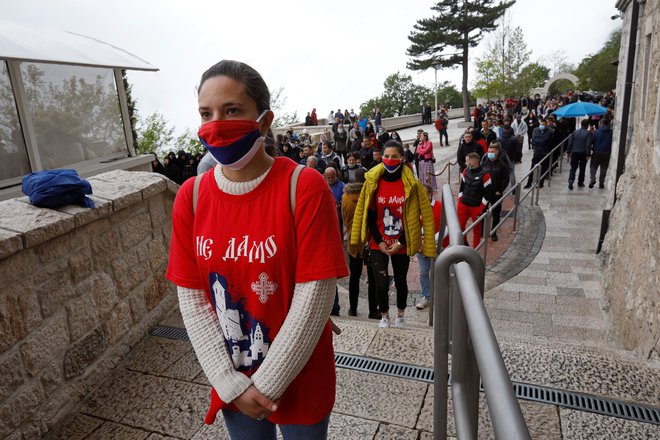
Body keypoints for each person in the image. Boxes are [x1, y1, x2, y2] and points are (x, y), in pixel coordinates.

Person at [167, 60, 348, 440]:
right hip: (233, 378)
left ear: (264, 121)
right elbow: (193, 297)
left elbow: (314, 294)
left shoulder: (305, 187)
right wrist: (229, 383)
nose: (216, 124)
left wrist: (263, 386)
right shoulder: (191, 196)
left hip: (301, 375)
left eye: (232, 110)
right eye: (206, 113)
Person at [349, 140, 436, 328]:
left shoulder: (412, 184)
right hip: (378, 242)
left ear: (402, 158)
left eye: (394, 156)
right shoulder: (373, 182)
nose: (389, 160)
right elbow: (369, 215)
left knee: (400, 280)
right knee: (380, 283)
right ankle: (384, 316)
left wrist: (400, 241)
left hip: (401, 242)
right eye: (386, 156)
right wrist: (379, 242)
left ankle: (400, 315)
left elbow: (417, 217)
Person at [343, 168, 378, 318]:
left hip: (353, 240)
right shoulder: (369, 196)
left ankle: (353, 308)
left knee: (354, 277)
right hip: (369, 240)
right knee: (373, 278)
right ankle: (373, 311)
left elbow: (344, 218)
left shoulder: (346, 196)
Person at [415, 183, 442, 310]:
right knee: (423, 272)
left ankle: (442, 294)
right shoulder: (416, 207)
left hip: (438, 245)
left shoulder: (439, 206)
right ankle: (427, 296)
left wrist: (432, 239)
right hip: (422, 246)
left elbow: (446, 226)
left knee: (440, 270)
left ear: (430, 194)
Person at [458, 153, 492, 248]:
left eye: (467, 161)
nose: (465, 163)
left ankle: (475, 250)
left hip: (476, 207)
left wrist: (480, 208)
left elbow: (487, 194)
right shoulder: (465, 171)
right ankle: (465, 244)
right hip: (464, 204)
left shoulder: (486, 175)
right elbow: (462, 187)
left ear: (472, 162)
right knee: (459, 226)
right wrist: (460, 201)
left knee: (477, 230)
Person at [480, 142, 510, 242]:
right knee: (482, 212)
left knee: (496, 214)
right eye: (489, 152)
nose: (490, 153)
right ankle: (482, 231)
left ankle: (494, 232)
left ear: (497, 152)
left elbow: (506, 179)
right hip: (485, 193)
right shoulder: (484, 163)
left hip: (496, 193)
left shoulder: (502, 165)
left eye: (492, 152)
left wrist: (500, 190)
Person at [524, 118, 553, 189]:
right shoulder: (535, 130)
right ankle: (529, 182)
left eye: (543, 124)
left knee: (543, 169)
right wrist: (538, 142)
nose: (541, 126)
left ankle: (540, 183)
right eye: (541, 124)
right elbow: (533, 140)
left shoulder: (549, 131)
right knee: (532, 168)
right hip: (536, 152)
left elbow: (544, 141)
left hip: (544, 152)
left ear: (546, 125)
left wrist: (537, 142)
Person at [566, 119, 593, 190]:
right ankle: (580, 182)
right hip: (583, 153)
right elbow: (588, 145)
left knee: (573, 168)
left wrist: (568, 152)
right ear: (587, 125)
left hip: (574, 152)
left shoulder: (575, 132)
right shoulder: (588, 133)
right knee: (582, 168)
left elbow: (570, 143)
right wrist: (588, 154)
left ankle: (571, 180)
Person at [589, 119, 613, 189]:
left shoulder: (596, 132)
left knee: (593, 167)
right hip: (607, 152)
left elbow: (591, 141)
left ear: (601, 124)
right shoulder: (611, 132)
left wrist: (591, 133)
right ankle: (601, 183)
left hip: (596, 152)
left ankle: (592, 179)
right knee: (604, 169)